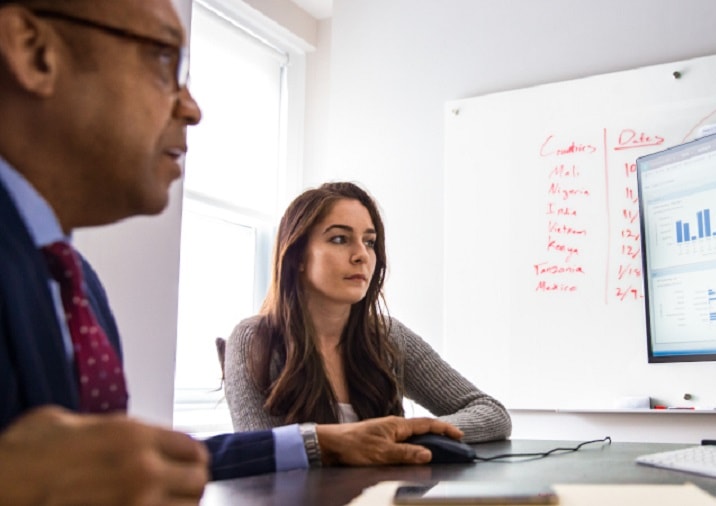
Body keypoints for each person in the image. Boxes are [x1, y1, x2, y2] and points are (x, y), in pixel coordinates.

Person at [0, 1, 462, 504]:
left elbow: (106, 463)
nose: (193, 108)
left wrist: (327, 442)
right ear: (33, 51)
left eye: (369, 241)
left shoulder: (76, 282)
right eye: (163, 61)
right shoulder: (254, 339)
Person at [224, 182, 512, 443]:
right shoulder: (254, 340)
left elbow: (492, 413)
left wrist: (409, 432)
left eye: (370, 242)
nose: (361, 255)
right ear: (297, 256)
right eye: (339, 239)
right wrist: (372, 441)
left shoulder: (387, 336)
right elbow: (265, 456)